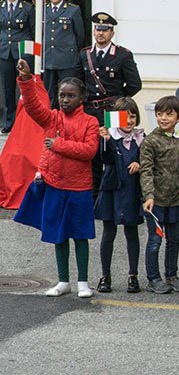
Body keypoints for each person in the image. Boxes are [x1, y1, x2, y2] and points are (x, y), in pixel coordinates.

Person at [13, 59, 98, 298]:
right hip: (54, 184)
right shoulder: (51, 118)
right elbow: (32, 106)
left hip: (79, 187)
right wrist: (27, 80)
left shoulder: (90, 122)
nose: (65, 100)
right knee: (58, 235)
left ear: (81, 98)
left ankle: (83, 281)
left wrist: (58, 144)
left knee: (80, 235)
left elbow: (89, 151)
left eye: (71, 96)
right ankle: (63, 281)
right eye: (62, 95)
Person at [78, 12, 143, 191]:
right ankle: (96, 194)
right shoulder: (85, 55)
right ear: (93, 31)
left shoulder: (122, 55)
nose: (101, 33)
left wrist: (118, 100)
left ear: (112, 33)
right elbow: (78, 82)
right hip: (91, 111)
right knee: (93, 152)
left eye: (105, 30)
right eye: (98, 29)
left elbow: (135, 84)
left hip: (114, 111)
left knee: (116, 149)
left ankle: (116, 190)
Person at [94, 97, 144, 294]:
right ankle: (105, 276)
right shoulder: (110, 137)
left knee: (132, 232)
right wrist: (106, 140)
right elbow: (105, 159)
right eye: (124, 116)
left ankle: (133, 275)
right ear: (116, 118)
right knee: (109, 233)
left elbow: (146, 159)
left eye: (132, 116)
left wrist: (139, 164)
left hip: (131, 190)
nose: (129, 121)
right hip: (112, 189)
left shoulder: (141, 138)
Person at [139, 96, 179, 294]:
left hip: (174, 199)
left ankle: (171, 275)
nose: (163, 118)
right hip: (155, 201)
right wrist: (149, 195)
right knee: (155, 240)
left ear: (178, 118)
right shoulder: (150, 141)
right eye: (160, 114)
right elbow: (146, 170)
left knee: (174, 240)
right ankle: (153, 278)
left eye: (169, 114)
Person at [42, 0, 84, 109]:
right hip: (48, 58)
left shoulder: (73, 10)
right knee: (49, 94)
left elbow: (80, 36)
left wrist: (73, 53)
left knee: (69, 92)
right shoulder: (42, 10)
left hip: (67, 59)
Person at [0, 0, 36, 132]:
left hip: (23, 52)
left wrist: (33, 54)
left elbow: (34, 31)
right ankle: (9, 122)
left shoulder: (27, 8)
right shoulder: (1, 7)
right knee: (8, 89)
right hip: (4, 52)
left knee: (25, 88)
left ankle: (24, 122)